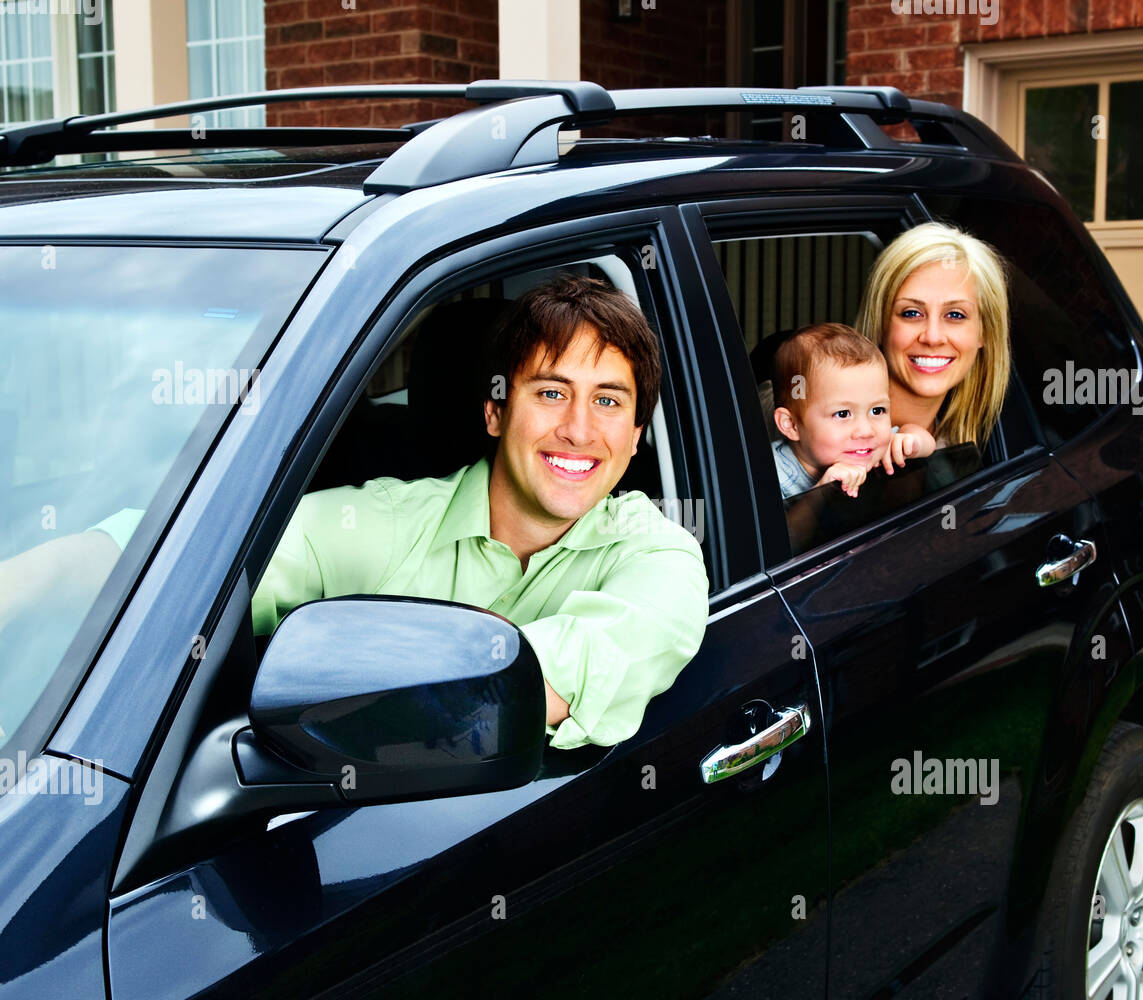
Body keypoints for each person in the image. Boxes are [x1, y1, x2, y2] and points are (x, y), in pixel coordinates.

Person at [1, 275, 710, 752]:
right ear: (496, 413)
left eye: (609, 401)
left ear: (636, 438)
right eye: (551, 393)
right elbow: (184, 557)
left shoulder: (661, 560)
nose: (581, 430)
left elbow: (524, 689)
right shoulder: (382, 524)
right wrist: (20, 586)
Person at [854, 222, 1011, 452]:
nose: (933, 337)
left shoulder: (954, 448)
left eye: (955, 315)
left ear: (984, 332)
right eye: (911, 313)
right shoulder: (834, 447)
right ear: (880, 324)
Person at [769, 323, 933, 500]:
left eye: (877, 410)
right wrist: (822, 493)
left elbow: (928, 444)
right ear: (792, 425)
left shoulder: (873, 448)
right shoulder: (769, 473)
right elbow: (788, 528)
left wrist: (910, 441)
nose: (866, 431)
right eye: (842, 414)